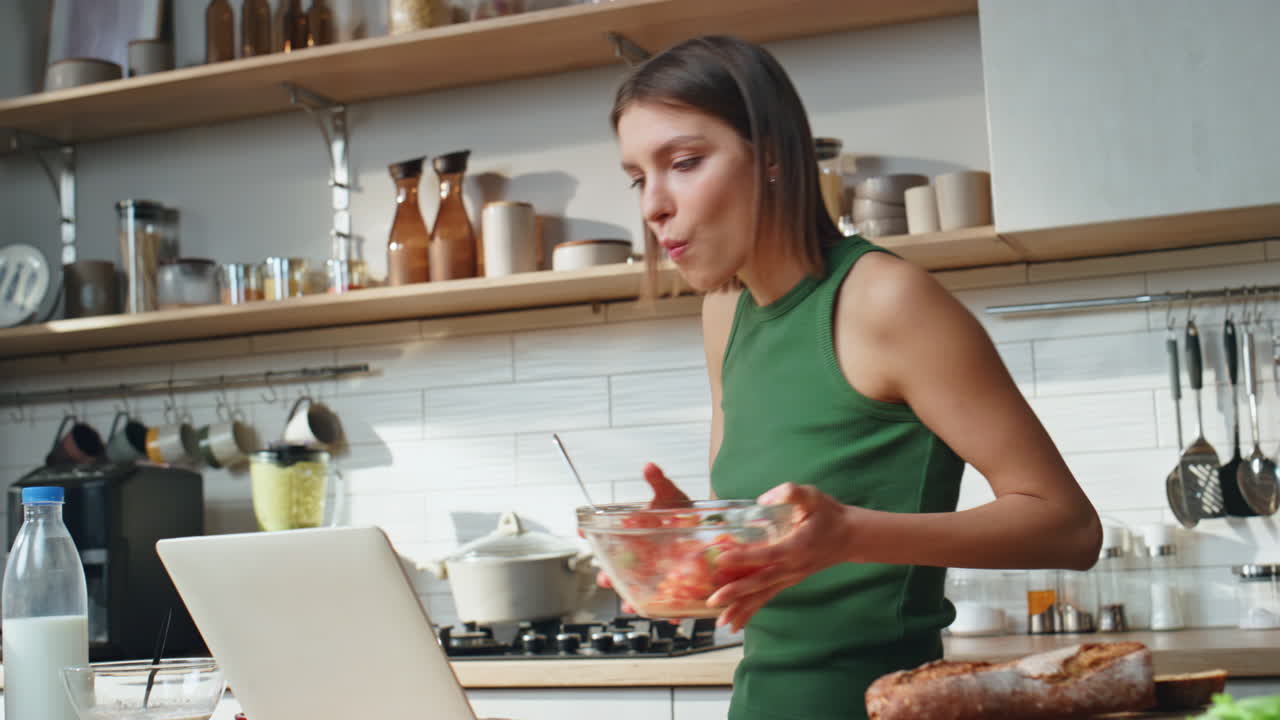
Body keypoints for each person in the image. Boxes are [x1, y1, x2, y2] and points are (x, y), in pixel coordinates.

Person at [606, 35, 1103, 720]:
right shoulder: (725, 313)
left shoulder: (886, 300)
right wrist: (676, 539)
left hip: (881, 707)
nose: (652, 206)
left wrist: (854, 535)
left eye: (684, 162)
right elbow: (777, 536)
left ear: (773, 155)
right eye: (638, 177)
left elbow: (1070, 529)